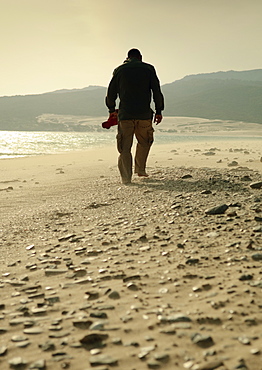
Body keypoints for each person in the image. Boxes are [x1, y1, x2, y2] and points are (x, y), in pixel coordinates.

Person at [105, 48, 164, 184]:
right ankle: (140, 170)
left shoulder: (119, 70)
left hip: (125, 115)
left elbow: (111, 92)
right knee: (144, 142)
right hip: (144, 114)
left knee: (125, 147)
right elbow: (156, 91)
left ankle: (126, 178)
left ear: (127, 57)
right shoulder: (149, 69)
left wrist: (111, 109)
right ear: (140, 57)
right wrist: (159, 110)